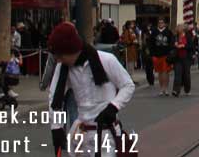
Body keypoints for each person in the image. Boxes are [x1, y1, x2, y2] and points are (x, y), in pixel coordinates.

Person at [47, 22, 134, 157]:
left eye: (60, 55)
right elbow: (54, 98)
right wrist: (56, 127)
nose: (58, 60)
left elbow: (127, 85)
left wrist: (113, 106)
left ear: (71, 49)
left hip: (106, 132)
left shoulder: (106, 60)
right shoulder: (63, 67)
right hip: (81, 133)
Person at [149, 18, 174, 96]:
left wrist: (170, 53)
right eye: (159, 23)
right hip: (157, 55)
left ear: (164, 24)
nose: (160, 24)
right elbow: (151, 44)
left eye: (162, 22)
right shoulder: (154, 32)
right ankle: (161, 88)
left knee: (166, 72)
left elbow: (171, 43)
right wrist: (152, 55)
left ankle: (166, 88)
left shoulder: (168, 32)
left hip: (166, 55)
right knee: (159, 72)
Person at [171, 24, 193, 97]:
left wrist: (183, 46)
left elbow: (191, 46)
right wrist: (175, 45)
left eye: (179, 27)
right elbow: (171, 45)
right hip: (178, 58)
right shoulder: (175, 37)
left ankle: (187, 89)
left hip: (186, 58)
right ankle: (176, 90)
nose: (178, 28)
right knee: (177, 74)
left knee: (186, 75)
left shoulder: (188, 36)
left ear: (183, 29)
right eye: (177, 27)